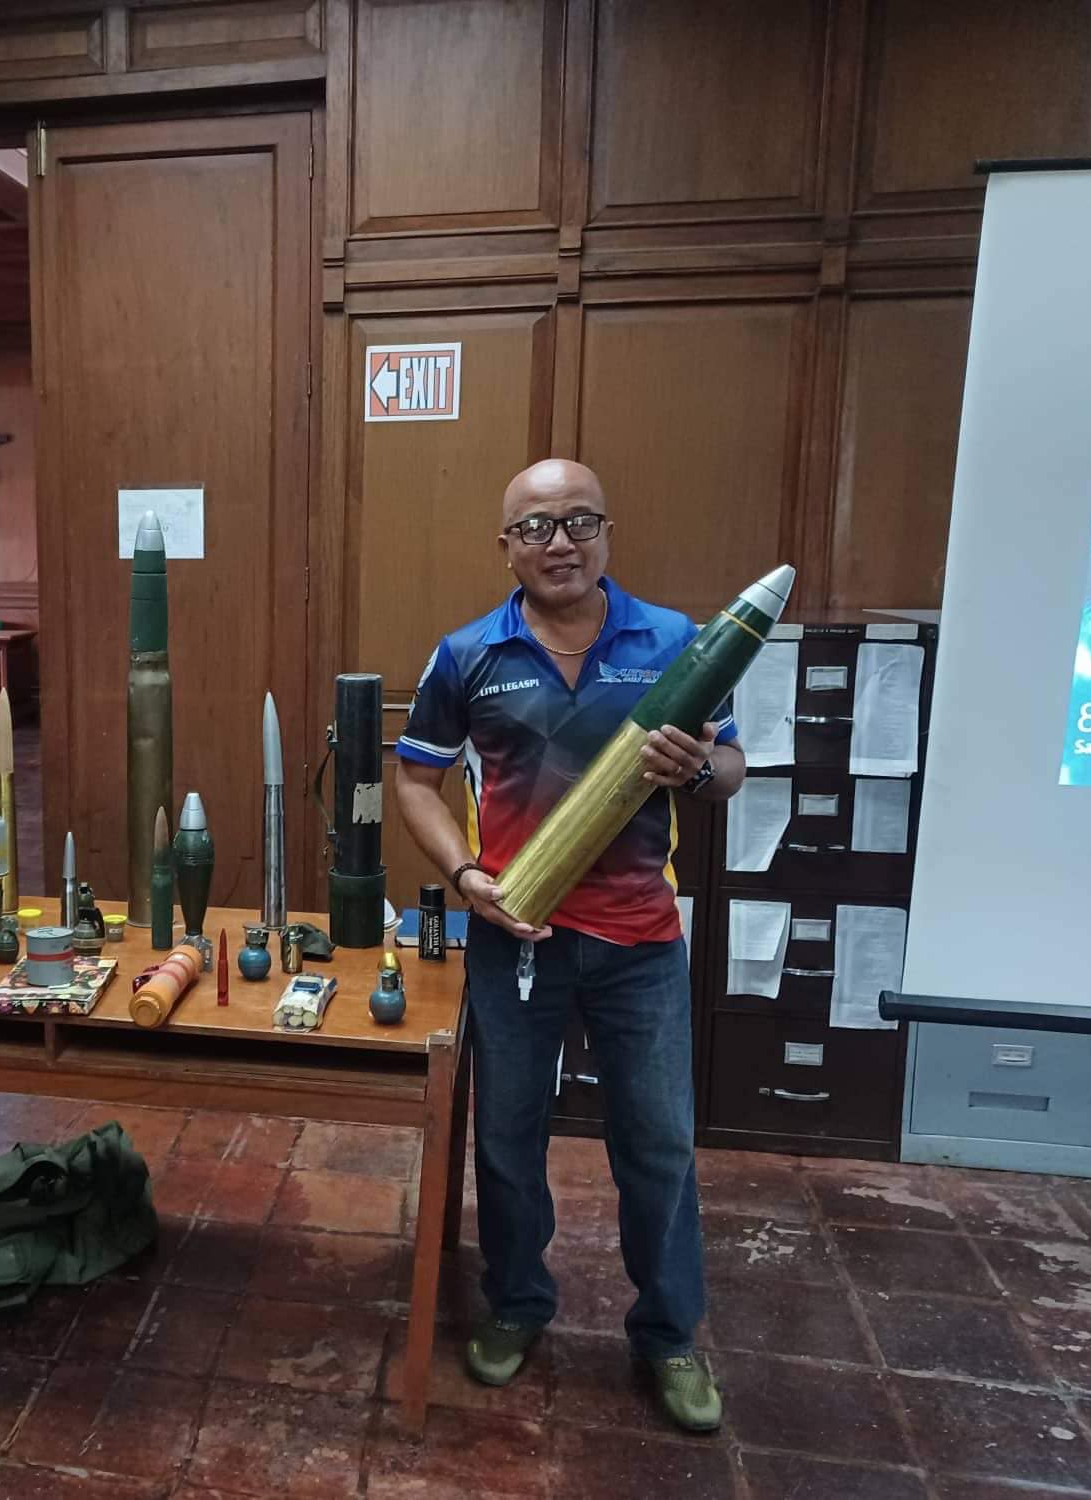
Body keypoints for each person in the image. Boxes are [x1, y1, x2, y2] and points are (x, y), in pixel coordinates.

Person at [394, 458, 746, 1433]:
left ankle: (668, 1335)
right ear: (505, 547)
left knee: (658, 1145)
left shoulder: (673, 642)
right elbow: (415, 780)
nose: (560, 543)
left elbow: (731, 766)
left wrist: (699, 769)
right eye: (537, 527)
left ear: (606, 533)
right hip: (516, 937)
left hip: (640, 942)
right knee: (507, 1138)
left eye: (579, 522)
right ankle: (515, 1304)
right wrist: (464, 876)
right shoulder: (467, 654)